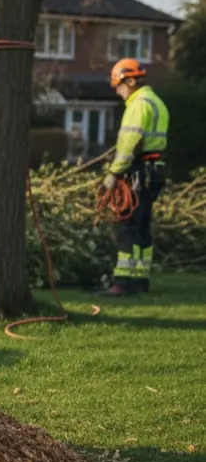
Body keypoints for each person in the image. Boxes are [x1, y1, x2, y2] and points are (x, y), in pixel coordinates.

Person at [99, 58, 169, 297]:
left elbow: (129, 144)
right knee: (141, 226)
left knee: (125, 225)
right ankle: (140, 280)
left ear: (130, 81)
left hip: (138, 172)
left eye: (119, 85)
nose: (117, 91)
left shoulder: (138, 104)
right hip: (155, 170)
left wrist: (113, 174)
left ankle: (122, 282)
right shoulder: (157, 102)